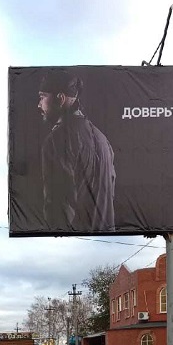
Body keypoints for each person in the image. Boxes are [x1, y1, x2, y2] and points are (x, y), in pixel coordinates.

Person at [37, 69, 116, 232]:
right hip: (106, 237)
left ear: (60, 98)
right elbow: (110, 192)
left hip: (78, 240)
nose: (39, 104)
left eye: (42, 97)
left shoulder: (56, 140)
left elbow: (59, 208)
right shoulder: (103, 139)